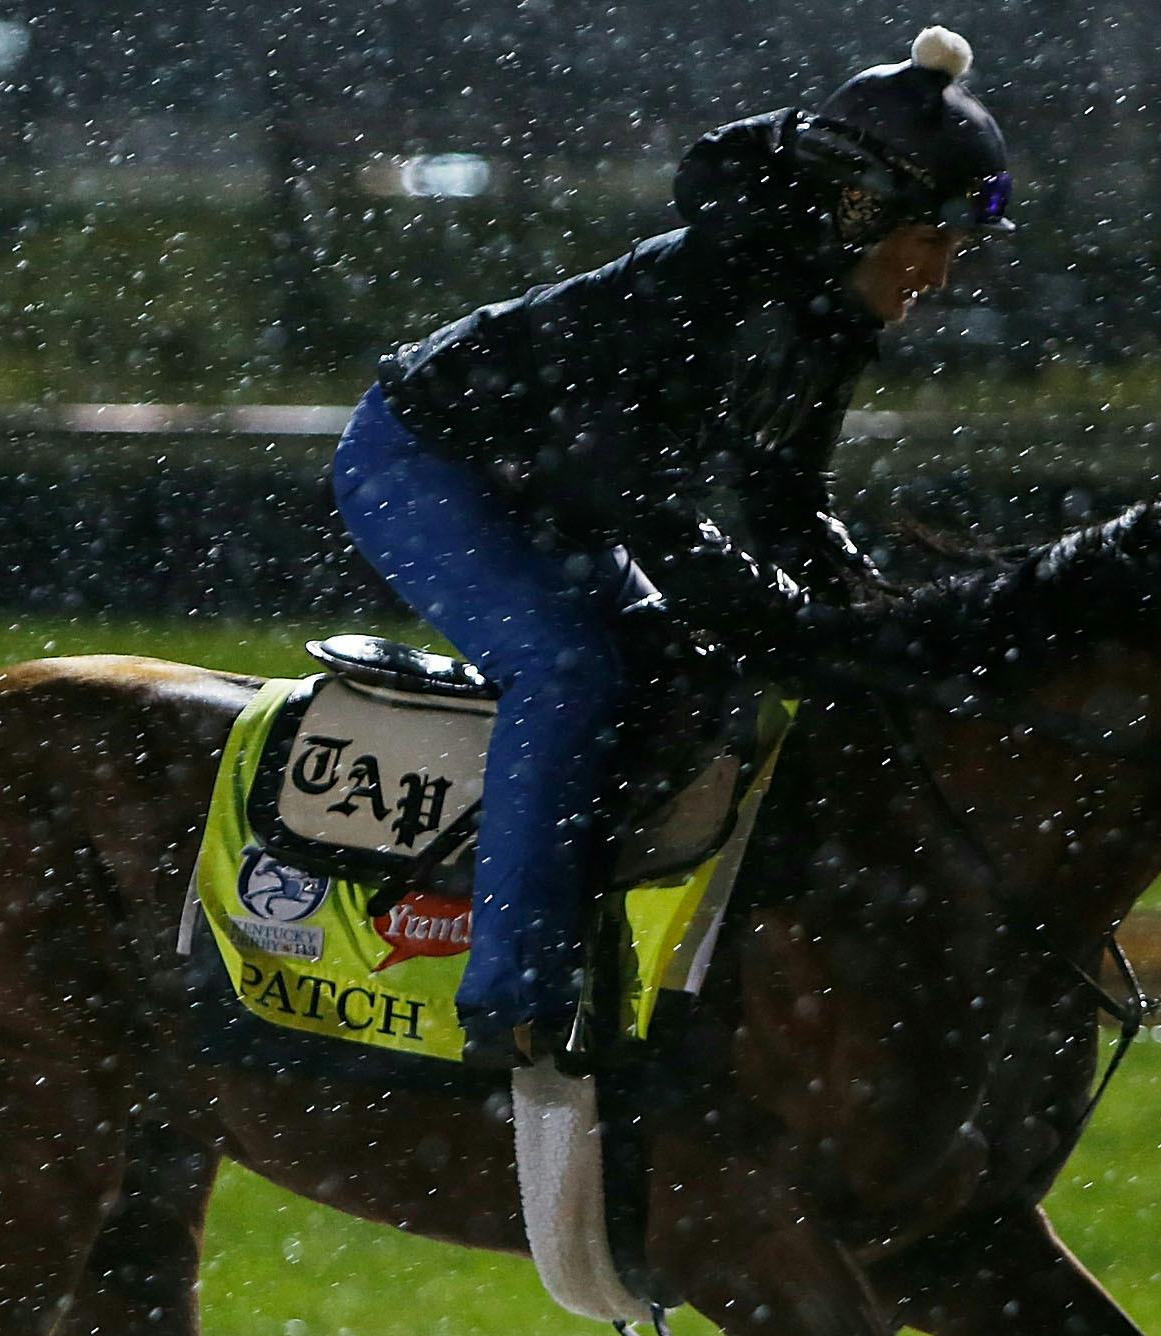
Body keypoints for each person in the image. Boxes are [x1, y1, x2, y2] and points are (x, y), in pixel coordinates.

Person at [330, 26, 1014, 1066]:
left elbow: (784, 498)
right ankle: (506, 993)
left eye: (956, 249)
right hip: (424, 463)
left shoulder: (827, 313)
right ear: (854, 211)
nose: (939, 273)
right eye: (930, 240)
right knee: (567, 667)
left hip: (556, 502)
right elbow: (655, 517)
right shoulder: (696, 295)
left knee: (680, 673)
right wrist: (795, 625)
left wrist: (870, 623)